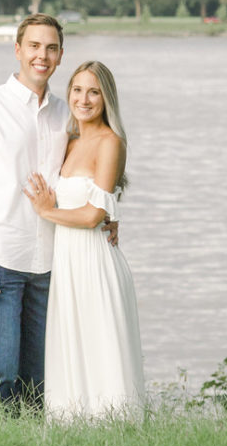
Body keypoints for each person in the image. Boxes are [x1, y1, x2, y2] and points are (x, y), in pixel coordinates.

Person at [0, 13, 115, 412]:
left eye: (51, 48)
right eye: (34, 46)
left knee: (41, 376)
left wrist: (108, 213)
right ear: (17, 50)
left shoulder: (67, 113)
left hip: (54, 262)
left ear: (60, 56)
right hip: (1, 261)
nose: (41, 56)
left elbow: (90, 167)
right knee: (3, 370)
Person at [24, 60, 144, 419]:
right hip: (67, 264)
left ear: (107, 98)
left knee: (102, 350)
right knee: (70, 350)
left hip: (95, 262)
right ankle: (71, 430)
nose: (84, 99)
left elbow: (93, 215)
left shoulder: (110, 142)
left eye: (94, 92)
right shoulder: (70, 141)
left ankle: (116, 431)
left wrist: (46, 212)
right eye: (77, 90)